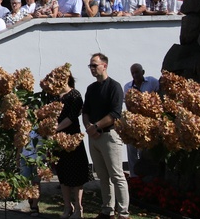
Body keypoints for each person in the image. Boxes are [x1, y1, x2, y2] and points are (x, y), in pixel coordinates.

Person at [83, 53, 129, 218]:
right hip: (94, 137)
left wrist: (96, 126)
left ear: (104, 65)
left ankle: (123, 213)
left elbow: (115, 113)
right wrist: (88, 126)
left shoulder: (114, 87)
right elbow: (85, 111)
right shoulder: (91, 88)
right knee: (102, 176)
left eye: (95, 65)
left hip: (109, 136)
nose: (92, 69)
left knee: (117, 175)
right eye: (90, 66)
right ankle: (107, 210)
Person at [55, 73, 89, 219]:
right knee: (62, 174)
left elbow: (71, 117)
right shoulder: (54, 96)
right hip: (57, 140)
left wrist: (55, 128)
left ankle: (79, 208)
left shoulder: (75, 95)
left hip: (72, 138)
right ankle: (67, 206)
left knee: (76, 174)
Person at [123, 64, 159, 178]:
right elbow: (128, 106)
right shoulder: (128, 87)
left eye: (137, 72)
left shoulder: (152, 82)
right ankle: (134, 178)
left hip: (150, 122)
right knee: (132, 149)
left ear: (143, 72)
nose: (135, 75)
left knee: (146, 151)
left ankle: (150, 177)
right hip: (135, 122)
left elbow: (159, 99)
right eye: (132, 73)